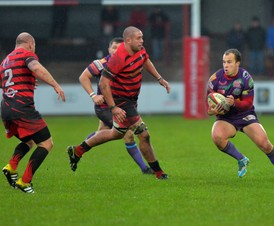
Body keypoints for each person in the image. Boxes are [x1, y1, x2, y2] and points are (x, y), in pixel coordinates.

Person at [67, 26, 170, 180]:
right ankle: (158, 173)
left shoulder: (140, 50)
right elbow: (103, 83)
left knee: (115, 134)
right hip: (122, 102)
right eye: (138, 38)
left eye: (142, 37)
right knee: (143, 134)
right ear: (128, 40)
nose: (142, 41)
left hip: (131, 100)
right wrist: (113, 107)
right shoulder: (117, 59)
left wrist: (159, 78)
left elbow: (145, 60)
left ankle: (78, 151)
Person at [207, 48, 274, 180]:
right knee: (217, 137)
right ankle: (241, 159)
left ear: (238, 63)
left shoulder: (245, 78)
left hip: (245, 115)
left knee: (264, 144)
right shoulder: (215, 79)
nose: (226, 65)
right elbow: (208, 105)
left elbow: (248, 103)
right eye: (224, 62)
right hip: (226, 117)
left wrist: (234, 103)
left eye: (229, 62)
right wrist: (212, 111)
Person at [1, 32, 66, 193]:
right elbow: (36, 67)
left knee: (29, 141)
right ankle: (25, 181)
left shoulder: (5, 61)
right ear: (30, 44)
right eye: (34, 46)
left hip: (6, 108)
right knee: (46, 143)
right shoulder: (27, 54)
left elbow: (6, 82)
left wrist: (24, 81)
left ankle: (11, 166)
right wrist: (55, 85)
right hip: (22, 108)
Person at [78, 37, 153, 175]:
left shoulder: (127, 62)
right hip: (106, 108)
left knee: (102, 132)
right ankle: (145, 169)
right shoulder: (101, 64)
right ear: (109, 49)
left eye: (120, 48)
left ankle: (76, 151)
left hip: (121, 106)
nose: (117, 51)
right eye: (114, 48)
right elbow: (83, 77)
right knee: (128, 133)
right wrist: (93, 95)